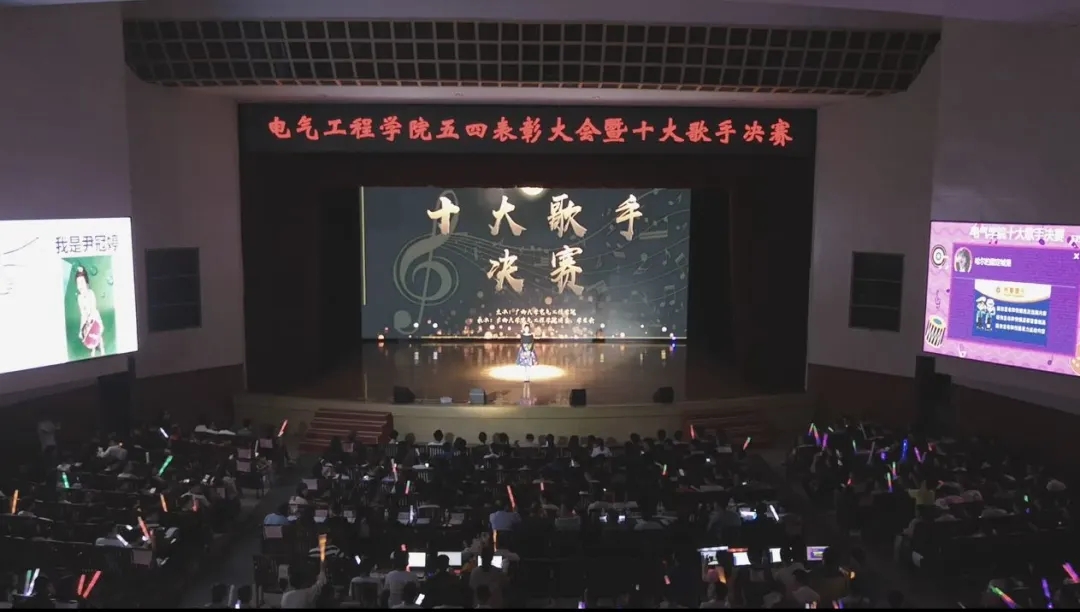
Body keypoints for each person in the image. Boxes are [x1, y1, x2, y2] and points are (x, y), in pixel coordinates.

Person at [73, 266, 106, 357]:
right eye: (78, 283)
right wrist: (84, 323)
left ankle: (102, 349)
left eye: (82, 282)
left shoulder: (91, 293)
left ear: (86, 283)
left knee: (97, 333)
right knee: (89, 335)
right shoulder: (79, 298)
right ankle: (93, 349)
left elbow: (93, 307)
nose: (80, 286)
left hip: (94, 316)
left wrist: (90, 318)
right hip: (86, 318)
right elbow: (82, 311)